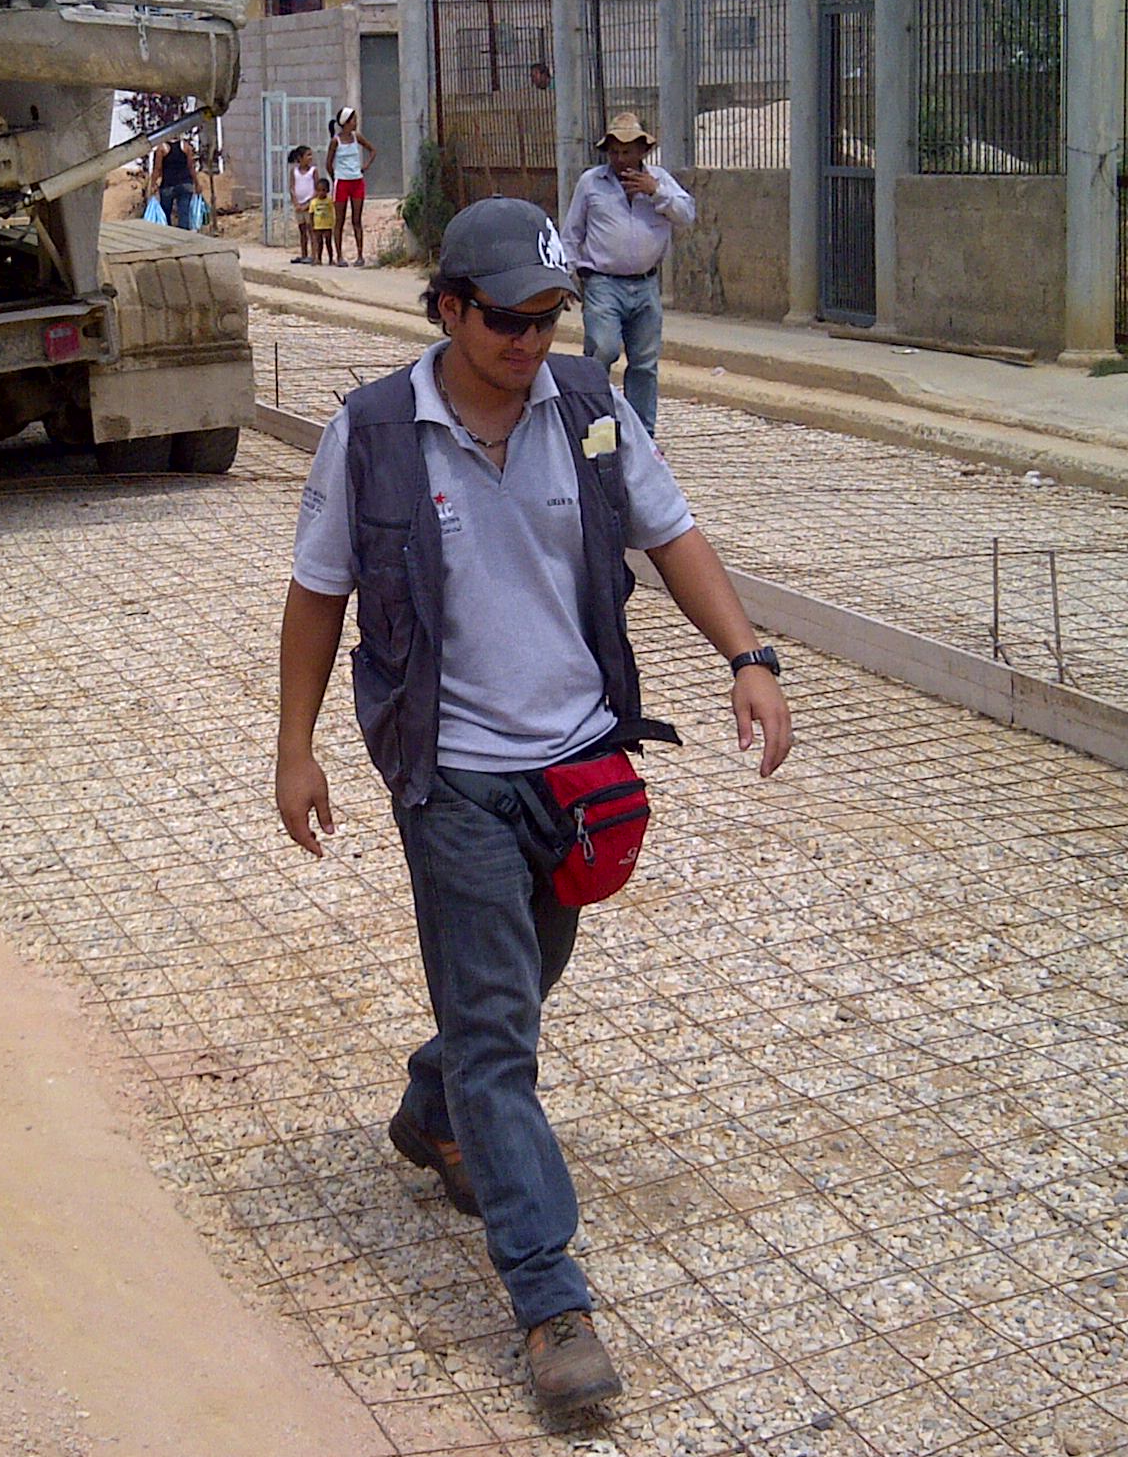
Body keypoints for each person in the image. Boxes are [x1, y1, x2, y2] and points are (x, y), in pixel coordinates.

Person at [274, 197, 792, 1417]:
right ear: (447, 307)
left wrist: (748, 658)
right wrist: (294, 750)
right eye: (507, 318)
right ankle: (549, 1297)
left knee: (517, 980)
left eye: (549, 316)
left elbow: (673, 538)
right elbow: (315, 597)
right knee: (504, 1026)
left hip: (574, 766)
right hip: (450, 770)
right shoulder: (376, 432)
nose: (530, 339)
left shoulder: (591, 414)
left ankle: (429, 1106)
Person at [560, 111, 695, 438]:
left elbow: (687, 214)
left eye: (627, 151)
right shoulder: (591, 182)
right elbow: (571, 233)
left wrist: (655, 191)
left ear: (642, 152)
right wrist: (565, 277)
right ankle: (594, 429)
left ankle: (641, 437)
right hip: (603, 284)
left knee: (645, 365)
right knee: (602, 352)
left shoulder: (660, 181)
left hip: (646, 284)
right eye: (615, 152)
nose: (621, 159)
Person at [326, 109, 375, 265]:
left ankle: (360, 255)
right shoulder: (336, 141)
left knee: (357, 219)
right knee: (339, 220)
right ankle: (339, 256)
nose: (356, 122)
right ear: (346, 122)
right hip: (342, 182)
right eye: (353, 120)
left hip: (356, 181)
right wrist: (336, 177)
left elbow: (372, 150)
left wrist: (365, 167)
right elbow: (328, 163)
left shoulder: (356, 137)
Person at [288, 143, 321, 262]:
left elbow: (317, 188)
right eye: (308, 155)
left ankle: (314, 255)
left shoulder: (313, 171)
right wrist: (296, 203)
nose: (310, 158)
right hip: (299, 205)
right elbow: (292, 187)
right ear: (300, 158)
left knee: (312, 230)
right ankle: (304, 254)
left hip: (310, 205)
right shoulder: (294, 171)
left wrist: (308, 203)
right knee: (302, 231)